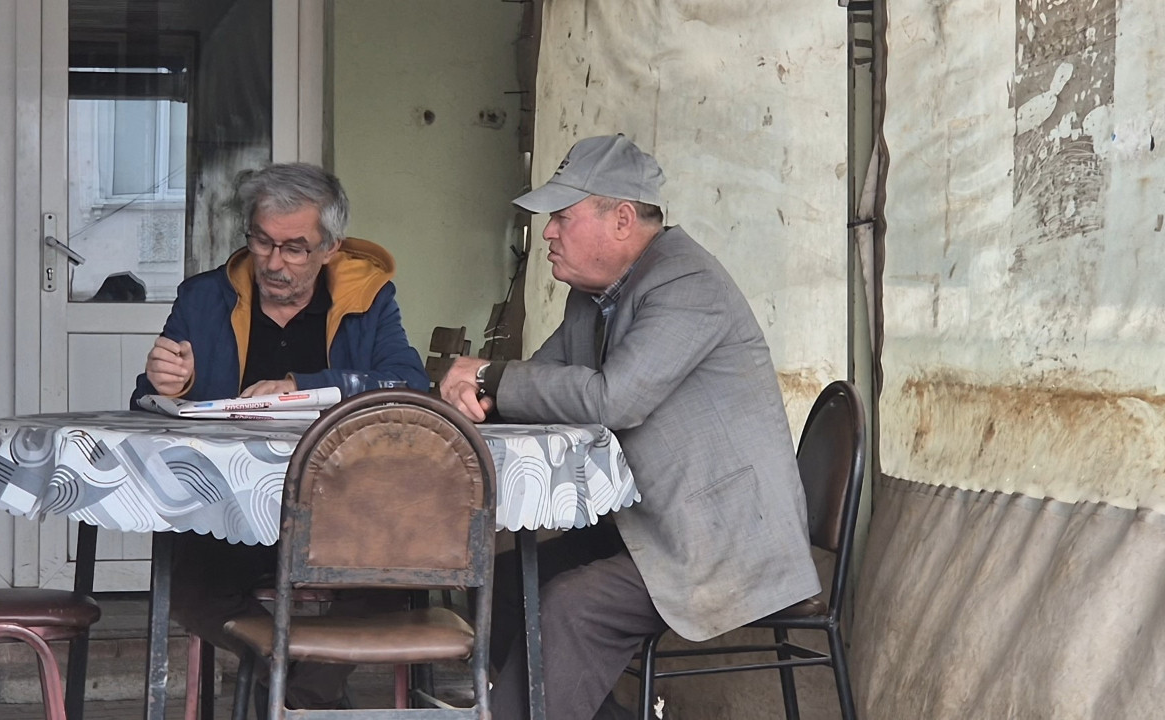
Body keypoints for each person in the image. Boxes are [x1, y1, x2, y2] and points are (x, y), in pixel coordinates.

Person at [440, 135, 821, 720]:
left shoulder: (686, 284)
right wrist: (476, 389)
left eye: (561, 217)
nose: (547, 233)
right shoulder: (594, 297)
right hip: (657, 523)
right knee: (497, 582)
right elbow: (533, 382)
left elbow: (615, 400)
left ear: (621, 219)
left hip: (723, 537)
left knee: (569, 605)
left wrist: (488, 375)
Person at [131, 162, 429, 711]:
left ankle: (292, 698)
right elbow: (147, 400)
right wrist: (168, 378)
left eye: (295, 248)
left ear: (330, 248)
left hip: (344, 508)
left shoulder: (369, 298)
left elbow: (408, 383)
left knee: (391, 575)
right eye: (263, 242)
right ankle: (304, 693)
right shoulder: (203, 297)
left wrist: (306, 385)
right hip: (231, 508)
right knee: (189, 586)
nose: (274, 262)